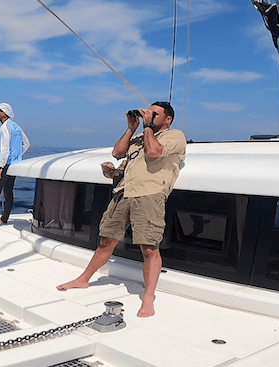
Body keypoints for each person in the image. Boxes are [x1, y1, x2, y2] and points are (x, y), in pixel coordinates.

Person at [56, 102, 186, 318]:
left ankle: (148, 298)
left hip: (149, 194)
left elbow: (153, 152)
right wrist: (131, 127)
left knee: (149, 248)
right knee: (106, 240)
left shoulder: (174, 136)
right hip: (124, 192)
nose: (150, 115)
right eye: (148, 112)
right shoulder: (141, 135)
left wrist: (147, 127)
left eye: (155, 114)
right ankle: (83, 279)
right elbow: (117, 152)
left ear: (168, 120)